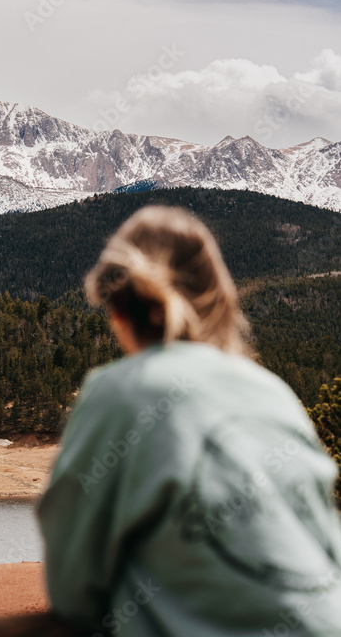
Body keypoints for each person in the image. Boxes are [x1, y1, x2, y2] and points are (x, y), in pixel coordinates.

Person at [37, 205, 341, 636]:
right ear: (218, 301)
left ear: (119, 309)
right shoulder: (274, 392)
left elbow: (72, 587)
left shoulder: (119, 391)